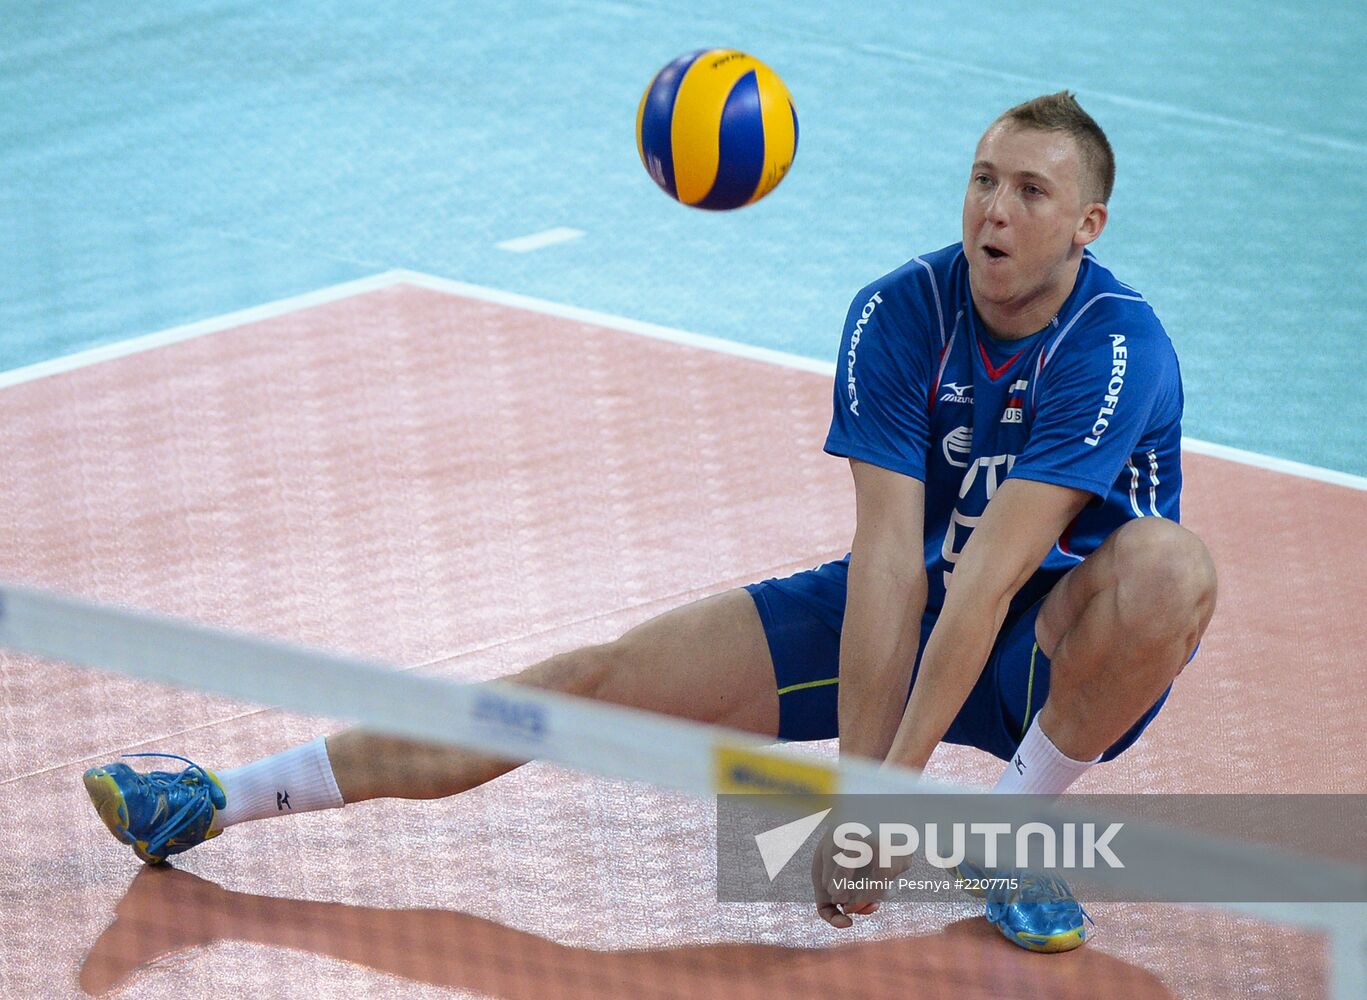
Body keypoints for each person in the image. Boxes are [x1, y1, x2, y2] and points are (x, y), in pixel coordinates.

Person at [83, 91, 1217, 955]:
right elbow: (890, 572)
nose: (992, 208)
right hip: (905, 609)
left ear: (1085, 223)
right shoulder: (896, 311)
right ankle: (214, 797)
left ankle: (1012, 836)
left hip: (1049, 641)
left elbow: (985, 587)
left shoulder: (1113, 346)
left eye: (1026, 189)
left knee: (1168, 567)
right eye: (979, 179)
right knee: (580, 685)